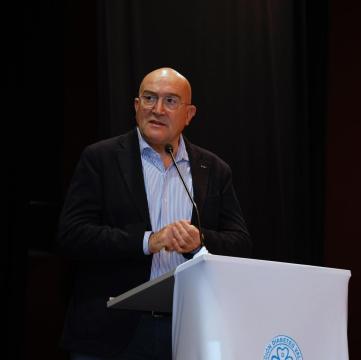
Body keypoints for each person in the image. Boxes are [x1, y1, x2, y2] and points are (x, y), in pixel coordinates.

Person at [57, 67, 251, 359]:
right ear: (136, 107)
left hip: (187, 328)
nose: (157, 109)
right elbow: (71, 235)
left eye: (171, 101)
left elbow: (240, 243)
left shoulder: (213, 169)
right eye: (149, 98)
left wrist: (200, 241)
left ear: (189, 114)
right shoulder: (101, 158)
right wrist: (148, 241)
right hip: (111, 333)